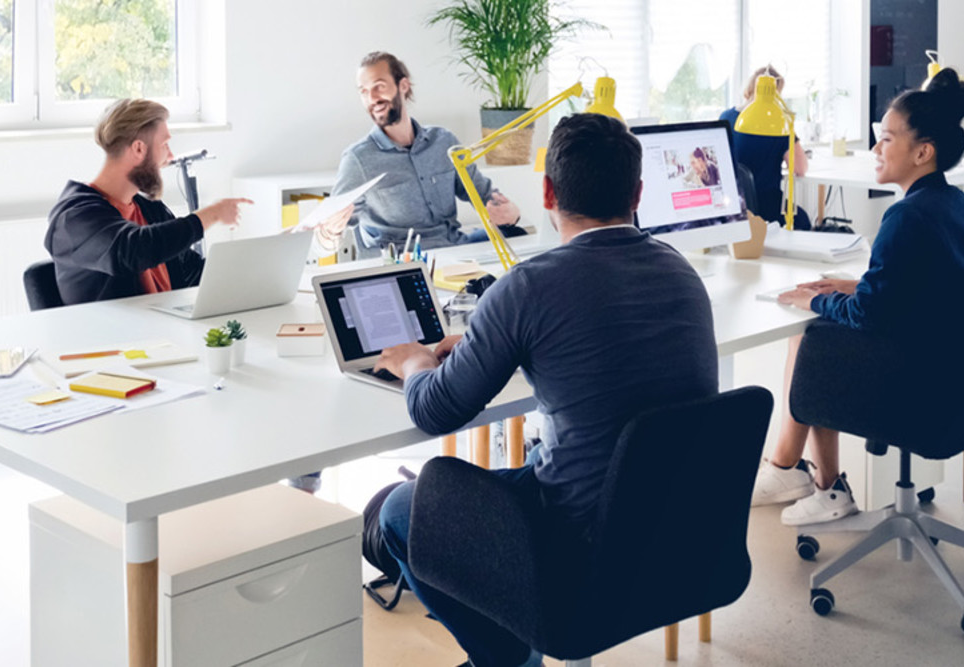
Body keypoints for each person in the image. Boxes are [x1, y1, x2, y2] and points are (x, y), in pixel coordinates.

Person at [372, 113, 718, 667]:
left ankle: (507, 658)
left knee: (398, 510)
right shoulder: (681, 272)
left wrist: (415, 362)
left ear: (548, 191)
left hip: (578, 542)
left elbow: (436, 411)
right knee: (521, 469)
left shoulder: (528, 287)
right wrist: (491, 337)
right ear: (638, 194)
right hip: (672, 532)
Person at [752, 69, 964, 526]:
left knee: (813, 336)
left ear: (923, 152)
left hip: (922, 385)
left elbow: (868, 315)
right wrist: (853, 285)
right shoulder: (958, 206)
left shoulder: (905, 216)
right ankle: (799, 475)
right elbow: (938, 286)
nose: (875, 150)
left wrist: (818, 301)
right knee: (824, 318)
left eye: (886, 139)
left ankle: (809, 480)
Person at [46, 98, 251, 306]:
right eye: (165, 145)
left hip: (164, 331)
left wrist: (257, 265)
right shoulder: (73, 218)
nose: (170, 157)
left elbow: (192, 271)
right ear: (138, 149)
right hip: (116, 337)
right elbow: (133, 250)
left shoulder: (149, 210)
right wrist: (212, 214)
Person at [327, 51, 525, 258]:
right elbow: (329, 234)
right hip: (404, 263)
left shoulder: (443, 142)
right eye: (364, 91)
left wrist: (511, 213)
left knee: (516, 235)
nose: (372, 98)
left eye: (379, 87)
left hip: (455, 249)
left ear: (403, 85)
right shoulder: (358, 159)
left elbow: (484, 195)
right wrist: (329, 233)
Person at [720, 65, 810, 228]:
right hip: (768, 207)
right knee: (803, 221)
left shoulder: (726, 118)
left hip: (733, 207)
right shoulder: (777, 124)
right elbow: (800, 168)